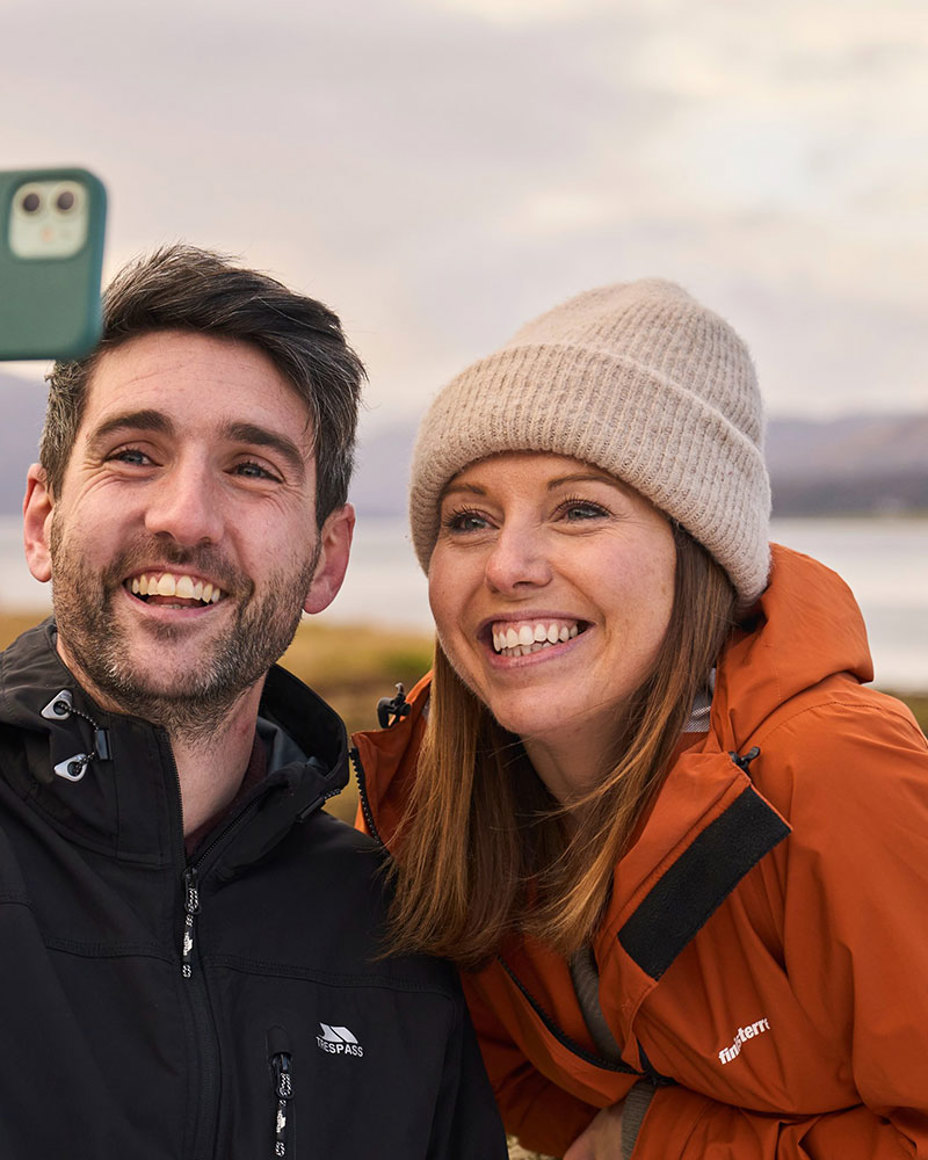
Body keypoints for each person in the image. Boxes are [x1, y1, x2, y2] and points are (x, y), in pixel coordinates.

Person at [353, 279, 928, 1159]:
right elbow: (504, 1082)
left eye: (580, 509)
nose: (508, 565)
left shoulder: (836, 773)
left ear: (693, 553)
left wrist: (650, 1142)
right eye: (468, 519)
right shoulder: (426, 795)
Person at [1, 244, 506, 1159]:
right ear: (43, 521)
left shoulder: (396, 940)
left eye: (252, 468)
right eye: (132, 453)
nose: (184, 517)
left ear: (327, 557)